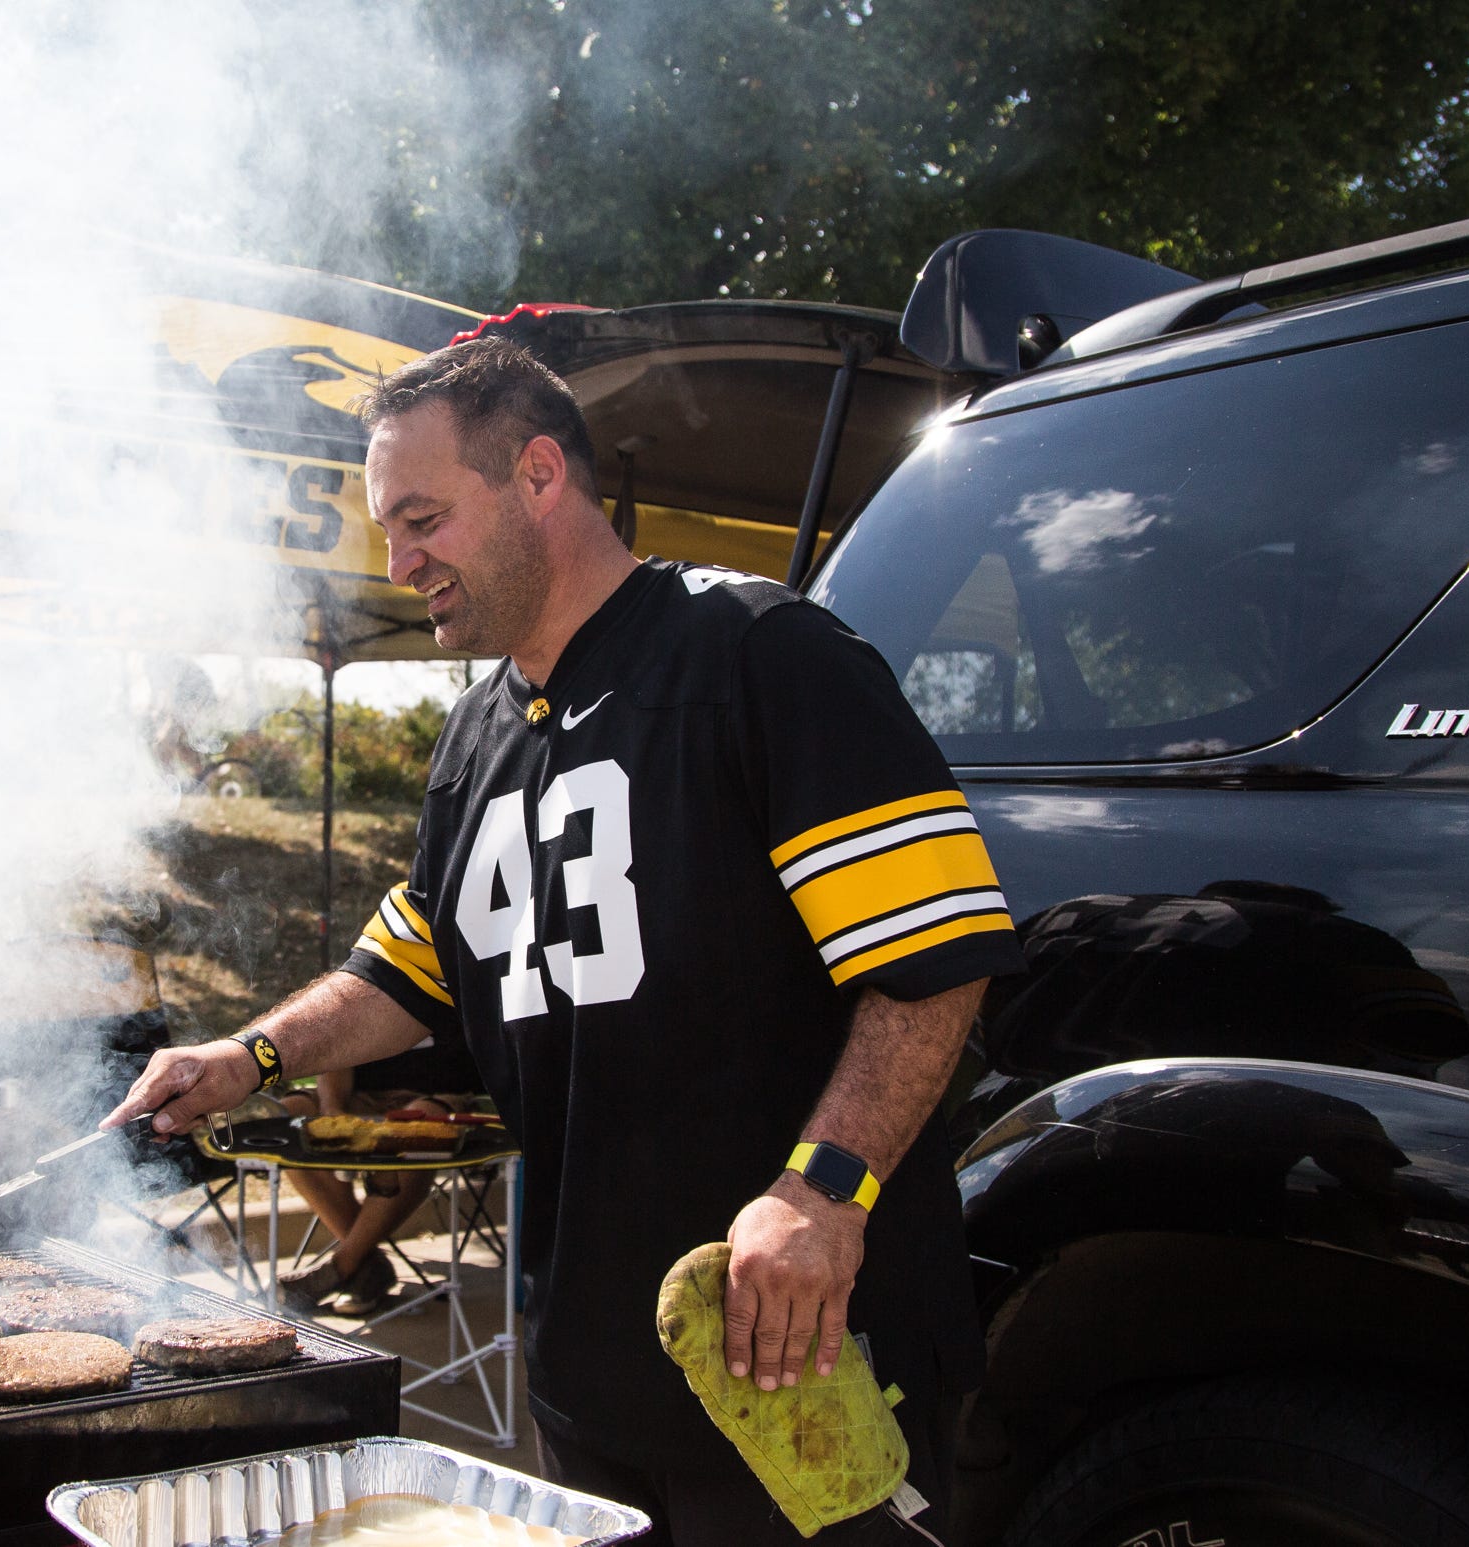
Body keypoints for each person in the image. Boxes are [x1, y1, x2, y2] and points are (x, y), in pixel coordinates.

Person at [110, 339, 1021, 1545]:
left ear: (539, 474)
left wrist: (822, 1195)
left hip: (809, 1371)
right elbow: (406, 970)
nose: (400, 560)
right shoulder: (476, 737)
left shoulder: (758, 655)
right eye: (388, 527)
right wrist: (249, 1055)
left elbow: (934, 965)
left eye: (423, 516)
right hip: (585, 1388)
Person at [270, 1034, 482, 1317]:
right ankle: (367, 1265)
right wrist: (332, 1107)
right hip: (363, 1095)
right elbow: (337, 1035)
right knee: (290, 1115)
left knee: (417, 1125)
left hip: (441, 1096)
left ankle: (342, 1267)